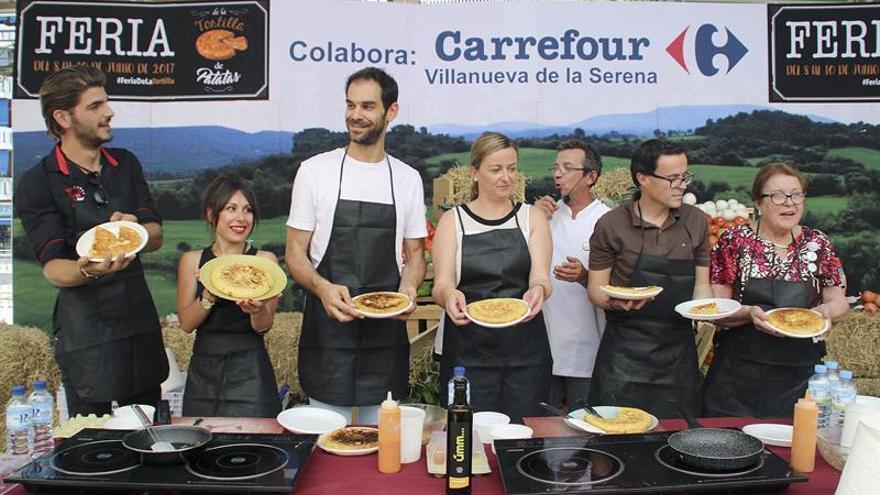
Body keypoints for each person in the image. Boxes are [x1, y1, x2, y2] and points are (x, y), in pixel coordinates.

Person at [15, 66, 168, 416]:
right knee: (91, 443)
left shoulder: (125, 164)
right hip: (86, 333)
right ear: (63, 118)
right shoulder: (39, 182)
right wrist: (90, 269)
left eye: (107, 103)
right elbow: (55, 268)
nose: (109, 112)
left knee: (148, 432)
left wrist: (137, 232)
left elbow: (156, 234)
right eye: (95, 106)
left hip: (138, 322)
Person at [285, 67, 426, 425]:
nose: (355, 115)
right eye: (350, 105)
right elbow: (295, 254)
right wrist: (323, 288)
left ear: (390, 112)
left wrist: (408, 288)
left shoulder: (407, 179)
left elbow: (415, 256)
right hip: (328, 331)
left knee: (382, 446)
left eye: (366, 106)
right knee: (325, 442)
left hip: (384, 335)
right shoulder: (315, 171)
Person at [703, 163, 849, 417]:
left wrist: (825, 313)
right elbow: (718, 309)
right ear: (758, 203)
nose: (789, 203)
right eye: (778, 196)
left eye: (796, 194)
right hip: (736, 378)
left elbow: (839, 301)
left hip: (798, 378)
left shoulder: (818, 243)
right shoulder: (734, 241)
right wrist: (749, 312)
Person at [432, 131, 553, 422]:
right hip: (467, 352)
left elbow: (541, 276)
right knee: (469, 437)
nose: (506, 177)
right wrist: (450, 296)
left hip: (526, 352)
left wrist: (539, 290)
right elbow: (442, 284)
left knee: (525, 438)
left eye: (512, 168)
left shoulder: (531, 217)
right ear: (474, 172)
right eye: (496, 169)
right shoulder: (453, 221)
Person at [587, 139, 711, 419]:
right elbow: (595, 290)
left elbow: (702, 285)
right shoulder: (612, 224)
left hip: (678, 353)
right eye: (672, 178)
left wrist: (706, 310)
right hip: (622, 355)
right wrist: (618, 302)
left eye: (685, 176)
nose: (682, 184)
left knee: (677, 441)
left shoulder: (697, 221)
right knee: (615, 440)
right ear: (642, 178)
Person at [176, 174, 282, 417]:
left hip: (251, 369)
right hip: (204, 369)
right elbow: (186, 324)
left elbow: (264, 327)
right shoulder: (192, 261)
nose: (241, 218)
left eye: (247, 210)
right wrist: (209, 295)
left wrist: (256, 311)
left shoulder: (265, 261)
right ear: (211, 214)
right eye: (231, 209)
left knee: (255, 445)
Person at [534, 139, 611, 412]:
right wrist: (533, 220)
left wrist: (584, 276)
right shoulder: (542, 216)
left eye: (568, 168)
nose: (558, 174)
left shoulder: (608, 220)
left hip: (589, 345)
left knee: (585, 426)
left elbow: (618, 287)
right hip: (543, 342)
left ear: (591, 176)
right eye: (556, 167)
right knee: (540, 425)